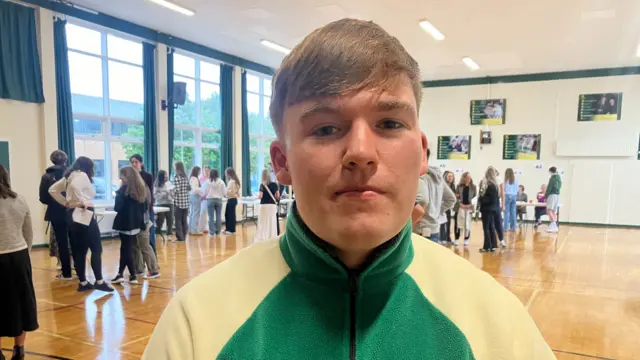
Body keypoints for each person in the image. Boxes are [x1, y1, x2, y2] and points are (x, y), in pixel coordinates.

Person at [142, 19, 554, 359]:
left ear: (423, 152)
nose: (360, 152)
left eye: (390, 123)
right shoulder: (195, 328)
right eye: (325, 128)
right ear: (281, 162)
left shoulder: (499, 326)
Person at [49, 157, 113, 292]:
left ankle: (83, 282)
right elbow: (75, 187)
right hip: (84, 213)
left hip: (71, 213)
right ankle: (99, 281)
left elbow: (52, 190)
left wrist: (66, 203)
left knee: (79, 250)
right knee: (96, 248)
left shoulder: (69, 176)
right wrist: (82, 201)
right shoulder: (82, 175)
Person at [0, 165, 38, 360]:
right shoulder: (19, 199)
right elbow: (28, 232)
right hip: (19, 256)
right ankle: (19, 349)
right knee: (22, 302)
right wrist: (25, 253)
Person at [38, 150, 72, 280]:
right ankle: (81, 273)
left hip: (56, 213)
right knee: (75, 241)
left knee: (62, 243)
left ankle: (66, 273)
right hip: (72, 210)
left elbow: (43, 198)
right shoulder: (72, 174)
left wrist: (54, 202)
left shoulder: (47, 176)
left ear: (52, 160)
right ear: (65, 160)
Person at [111, 166, 148, 285]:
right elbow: (145, 208)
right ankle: (120, 274)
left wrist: (117, 195)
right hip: (136, 223)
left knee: (126, 249)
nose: (119, 177)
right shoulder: (141, 189)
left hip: (125, 223)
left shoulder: (123, 190)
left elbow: (117, 208)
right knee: (126, 248)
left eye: (121, 175)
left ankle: (132, 275)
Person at [414, 149, 456, 243]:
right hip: (435, 229)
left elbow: (423, 200)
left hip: (421, 228)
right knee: (432, 257)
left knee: (420, 257)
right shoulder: (438, 178)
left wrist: (415, 216)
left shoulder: (421, 176)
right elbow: (451, 199)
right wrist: (436, 211)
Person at [129, 155, 157, 255]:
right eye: (132, 162)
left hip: (146, 210)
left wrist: (148, 209)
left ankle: (153, 263)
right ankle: (139, 266)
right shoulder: (129, 176)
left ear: (141, 163)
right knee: (135, 241)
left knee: (149, 237)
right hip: (134, 211)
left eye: (136, 162)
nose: (133, 164)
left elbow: (149, 195)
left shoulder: (147, 176)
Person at [254, 169, 279, 243]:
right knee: (272, 221)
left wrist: (257, 196)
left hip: (264, 206)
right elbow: (278, 196)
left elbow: (260, 196)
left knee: (263, 222)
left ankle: (263, 237)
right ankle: (272, 236)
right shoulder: (275, 184)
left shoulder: (262, 185)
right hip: (272, 206)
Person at [479, 167, 501, 252]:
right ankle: (493, 245)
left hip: (487, 209)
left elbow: (490, 199)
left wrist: (481, 198)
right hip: (492, 209)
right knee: (491, 227)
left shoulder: (490, 186)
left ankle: (487, 246)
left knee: (486, 228)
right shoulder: (495, 185)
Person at [454, 172, 477, 246]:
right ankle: (457, 238)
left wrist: (471, 204)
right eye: (467, 178)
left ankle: (466, 239)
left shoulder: (473, 187)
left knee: (467, 224)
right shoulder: (459, 186)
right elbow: (456, 196)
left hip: (469, 208)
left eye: (470, 178)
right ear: (464, 178)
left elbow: (475, 197)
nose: (469, 179)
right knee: (459, 224)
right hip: (461, 207)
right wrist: (460, 204)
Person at [203, 169, 225, 236]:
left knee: (211, 216)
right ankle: (218, 232)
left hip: (210, 200)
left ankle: (212, 232)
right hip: (218, 200)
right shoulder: (221, 182)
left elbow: (205, 192)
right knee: (218, 216)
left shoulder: (207, 182)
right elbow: (224, 192)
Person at [171, 162, 190, 242]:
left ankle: (180, 238)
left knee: (178, 221)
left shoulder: (176, 177)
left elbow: (177, 190)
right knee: (184, 221)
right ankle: (184, 237)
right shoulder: (186, 177)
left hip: (178, 203)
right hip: (186, 202)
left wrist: (171, 190)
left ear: (176, 167)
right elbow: (189, 188)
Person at [154, 170, 173, 238]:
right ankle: (158, 232)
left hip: (169, 203)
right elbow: (155, 195)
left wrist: (171, 193)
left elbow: (173, 193)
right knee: (160, 219)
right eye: (165, 175)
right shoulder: (156, 184)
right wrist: (164, 193)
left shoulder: (169, 183)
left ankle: (169, 234)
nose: (166, 176)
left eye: (167, 174)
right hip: (160, 203)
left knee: (170, 219)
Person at [545, 167, 562, 233]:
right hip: (557, 195)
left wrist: (546, 195)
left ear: (551, 171)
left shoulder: (552, 178)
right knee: (554, 211)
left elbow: (549, 187)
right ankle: (552, 227)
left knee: (549, 210)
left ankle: (554, 224)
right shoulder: (559, 178)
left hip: (552, 194)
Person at [224, 167, 240, 235]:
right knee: (228, 214)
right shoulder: (233, 181)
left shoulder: (232, 182)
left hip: (232, 199)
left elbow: (231, 192)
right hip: (232, 199)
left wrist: (226, 192)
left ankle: (231, 230)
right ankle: (228, 229)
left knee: (230, 215)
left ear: (228, 173)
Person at [440, 171, 455, 243]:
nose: (450, 178)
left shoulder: (453, 186)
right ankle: (442, 237)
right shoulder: (443, 185)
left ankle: (448, 237)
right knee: (442, 222)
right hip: (442, 205)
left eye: (451, 176)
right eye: (449, 176)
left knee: (448, 222)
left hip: (449, 207)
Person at [188, 166, 203, 235]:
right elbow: (195, 189)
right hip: (195, 196)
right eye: (199, 171)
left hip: (191, 196)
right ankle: (195, 230)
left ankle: (191, 230)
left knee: (192, 213)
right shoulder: (194, 179)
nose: (200, 172)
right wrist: (202, 190)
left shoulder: (191, 178)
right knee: (196, 213)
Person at [503, 168, 519, 232]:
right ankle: (513, 227)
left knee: (506, 213)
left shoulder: (506, 180)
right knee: (513, 212)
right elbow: (517, 189)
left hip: (507, 195)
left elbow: (504, 189)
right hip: (514, 196)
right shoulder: (516, 180)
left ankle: (506, 228)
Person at [198, 166, 210, 234]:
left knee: (207, 214)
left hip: (209, 198)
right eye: (205, 170)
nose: (206, 172)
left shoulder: (211, 179)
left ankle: (206, 227)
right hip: (202, 199)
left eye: (207, 170)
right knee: (202, 213)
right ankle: (202, 227)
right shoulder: (200, 179)